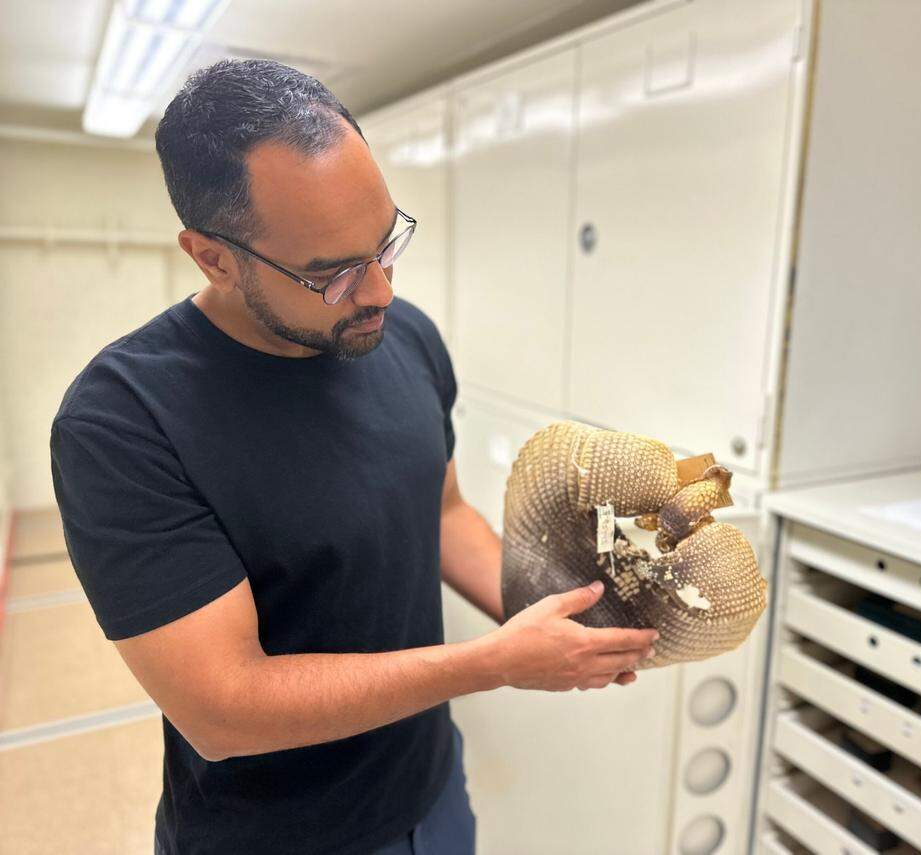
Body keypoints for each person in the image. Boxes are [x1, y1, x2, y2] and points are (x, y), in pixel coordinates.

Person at [49, 59, 658, 855]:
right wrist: (494, 663)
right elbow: (224, 708)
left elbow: (442, 513)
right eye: (331, 273)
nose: (379, 292)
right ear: (214, 258)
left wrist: (563, 609)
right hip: (274, 839)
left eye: (385, 243)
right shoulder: (123, 420)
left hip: (431, 794)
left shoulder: (404, 338)